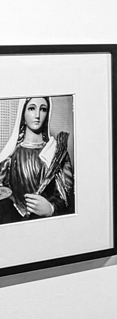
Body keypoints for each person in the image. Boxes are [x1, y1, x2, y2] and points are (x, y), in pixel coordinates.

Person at [0, 96, 74, 224]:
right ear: (23, 112)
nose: (37, 115)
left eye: (43, 109)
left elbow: (67, 194)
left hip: (47, 224)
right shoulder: (11, 156)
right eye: (32, 108)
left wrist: (51, 208)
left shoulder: (55, 153)